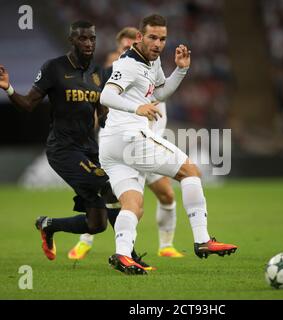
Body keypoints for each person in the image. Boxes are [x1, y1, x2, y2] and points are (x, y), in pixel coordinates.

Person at [0, 21, 151, 269]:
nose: (89, 43)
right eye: (83, 39)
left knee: (96, 224)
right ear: (72, 40)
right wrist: (9, 88)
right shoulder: (54, 68)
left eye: (92, 38)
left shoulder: (98, 73)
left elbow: (102, 115)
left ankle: (48, 224)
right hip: (63, 150)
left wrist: (126, 133)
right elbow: (28, 104)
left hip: (90, 150)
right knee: (110, 187)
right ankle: (128, 255)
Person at [99, 14, 238, 275]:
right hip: (130, 138)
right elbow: (107, 95)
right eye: (152, 37)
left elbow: (159, 93)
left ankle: (122, 255)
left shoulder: (152, 63)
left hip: (112, 147)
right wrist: (137, 107)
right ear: (139, 37)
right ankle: (202, 240)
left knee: (133, 205)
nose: (158, 43)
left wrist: (181, 70)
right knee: (191, 172)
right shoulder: (128, 63)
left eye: (162, 39)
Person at [68, 27, 184, 260]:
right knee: (111, 198)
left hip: (148, 144)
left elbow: (161, 93)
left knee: (166, 196)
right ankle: (87, 241)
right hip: (122, 144)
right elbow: (99, 104)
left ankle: (165, 245)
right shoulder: (116, 74)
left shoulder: (151, 71)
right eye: (123, 47)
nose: (128, 50)